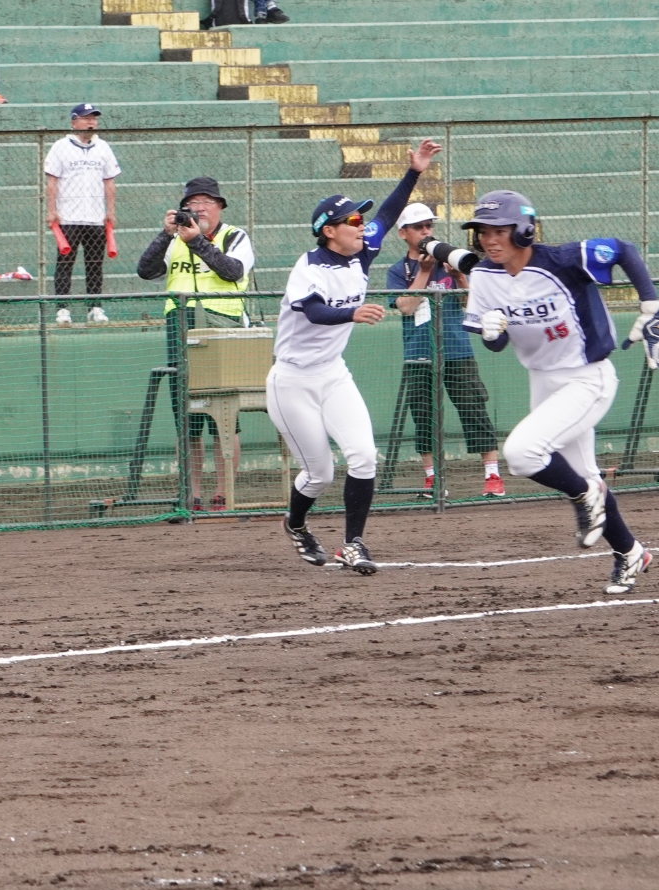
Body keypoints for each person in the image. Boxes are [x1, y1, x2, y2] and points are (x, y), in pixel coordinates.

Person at [467, 190, 659, 594]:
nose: (489, 239)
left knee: (521, 454)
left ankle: (585, 496)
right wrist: (491, 333)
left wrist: (650, 305)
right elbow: (496, 345)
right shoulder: (485, 276)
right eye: (483, 231)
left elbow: (622, 249)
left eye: (499, 230)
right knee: (585, 474)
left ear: (524, 229)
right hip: (543, 379)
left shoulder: (562, 260)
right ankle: (630, 552)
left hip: (587, 377)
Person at [272, 139, 440, 575]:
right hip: (291, 380)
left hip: (332, 374)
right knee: (320, 474)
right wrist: (352, 312)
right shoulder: (307, 267)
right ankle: (295, 523)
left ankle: (353, 544)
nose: (360, 225)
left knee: (364, 456)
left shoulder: (362, 249)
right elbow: (313, 311)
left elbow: (386, 214)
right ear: (329, 229)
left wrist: (414, 172)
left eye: (358, 218)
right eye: (351, 219)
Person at [136, 175, 254, 510]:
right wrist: (166, 234)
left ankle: (223, 491)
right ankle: (192, 494)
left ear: (219, 207)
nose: (199, 208)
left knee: (225, 416)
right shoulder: (173, 239)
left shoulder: (234, 236)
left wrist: (199, 241)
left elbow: (232, 271)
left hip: (222, 328)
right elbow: (145, 270)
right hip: (180, 325)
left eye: (207, 202)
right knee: (187, 417)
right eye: (193, 203)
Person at [384, 202, 502, 499]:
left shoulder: (450, 261)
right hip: (419, 354)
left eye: (429, 226)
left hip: (457, 350)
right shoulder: (398, 271)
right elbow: (407, 307)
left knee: (474, 410)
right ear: (403, 233)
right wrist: (423, 273)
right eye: (419, 227)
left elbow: (474, 307)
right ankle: (432, 479)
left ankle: (492, 476)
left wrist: (460, 276)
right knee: (424, 416)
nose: (426, 232)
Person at [44, 103, 119, 326]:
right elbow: (52, 181)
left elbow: (110, 181)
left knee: (95, 263)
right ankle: (62, 309)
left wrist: (111, 211)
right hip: (68, 217)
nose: (92, 122)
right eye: (87, 117)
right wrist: (51, 210)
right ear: (74, 121)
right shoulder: (60, 147)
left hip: (96, 218)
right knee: (65, 264)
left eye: (94, 118)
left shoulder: (103, 147)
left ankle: (95, 307)